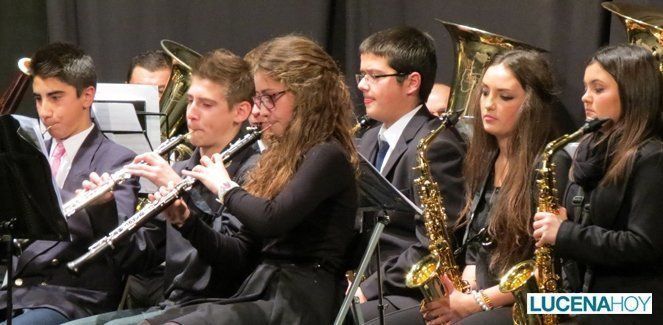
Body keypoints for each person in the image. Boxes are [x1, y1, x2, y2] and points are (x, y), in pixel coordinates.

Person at [138, 34, 359, 325]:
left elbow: (272, 219)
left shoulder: (327, 155)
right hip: (260, 290)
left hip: (301, 301)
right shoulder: (278, 159)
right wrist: (186, 221)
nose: (257, 111)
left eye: (270, 97)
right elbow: (239, 254)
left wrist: (225, 187)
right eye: (257, 98)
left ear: (308, 95)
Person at [64, 48, 259, 325]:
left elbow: (232, 261)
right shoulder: (180, 169)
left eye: (206, 104)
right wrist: (104, 208)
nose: (191, 113)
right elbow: (138, 257)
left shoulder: (253, 171)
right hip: (172, 306)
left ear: (241, 111)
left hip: (217, 311)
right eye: (190, 101)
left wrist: (183, 197)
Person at [421, 50, 568, 325]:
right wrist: (464, 283)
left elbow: (549, 268)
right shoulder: (486, 159)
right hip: (483, 295)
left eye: (505, 97)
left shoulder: (550, 165)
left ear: (532, 105)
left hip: (526, 306)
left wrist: (477, 302)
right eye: (485, 93)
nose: (488, 104)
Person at [0, 42, 139, 324]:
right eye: (38, 99)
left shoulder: (118, 160)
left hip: (71, 296)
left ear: (87, 96)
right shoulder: (26, 153)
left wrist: (102, 207)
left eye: (56, 97)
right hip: (17, 291)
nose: (44, 111)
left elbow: (121, 245)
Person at [533, 44, 663, 324]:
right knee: (527, 308)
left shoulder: (654, 158)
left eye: (598, 89)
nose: (585, 97)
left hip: (633, 303)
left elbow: (644, 245)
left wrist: (565, 233)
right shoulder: (590, 150)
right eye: (585, 87)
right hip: (586, 297)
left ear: (632, 94)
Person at [354, 26, 466, 321]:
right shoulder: (366, 138)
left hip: (408, 291)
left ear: (411, 82)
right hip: (365, 281)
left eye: (375, 76)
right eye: (362, 75)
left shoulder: (435, 145)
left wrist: (365, 286)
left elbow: (433, 244)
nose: (363, 85)